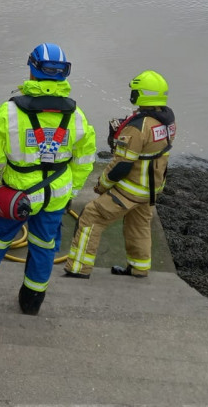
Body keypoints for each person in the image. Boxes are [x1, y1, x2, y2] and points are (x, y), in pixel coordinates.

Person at [0, 43, 97, 315]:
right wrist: (71, 192)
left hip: (14, 195)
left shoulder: (10, 112)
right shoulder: (77, 117)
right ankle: (31, 303)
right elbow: (84, 161)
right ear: (64, 75)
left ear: (32, 69)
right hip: (55, 197)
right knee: (44, 247)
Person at [63, 70, 176, 280]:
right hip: (150, 190)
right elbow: (149, 147)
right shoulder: (167, 121)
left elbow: (121, 165)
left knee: (91, 216)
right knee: (139, 226)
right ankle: (138, 268)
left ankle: (78, 268)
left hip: (129, 190)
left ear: (140, 94)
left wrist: (101, 186)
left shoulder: (137, 127)